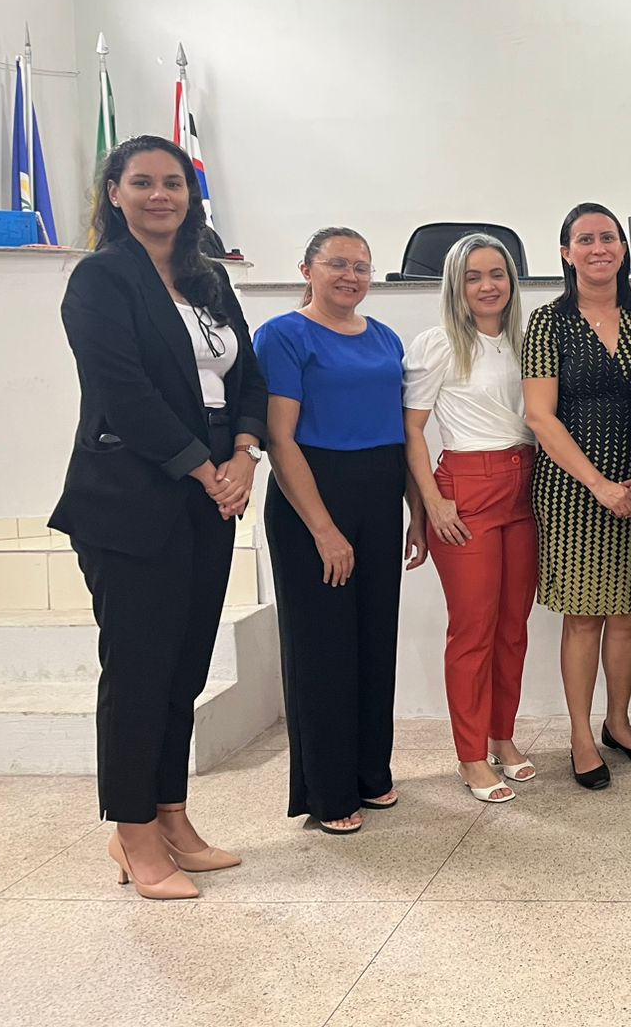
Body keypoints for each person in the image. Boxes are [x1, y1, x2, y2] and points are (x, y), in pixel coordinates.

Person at [51, 136, 267, 898]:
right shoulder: (101, 281)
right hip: (131, 497)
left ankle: (173, 816)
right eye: (140, 182)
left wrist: (243, 454)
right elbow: (123, 391)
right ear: (113, 193)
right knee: (139, 669)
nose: (158, 195)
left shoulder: (206, 278)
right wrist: (206, 469)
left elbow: (250, 375)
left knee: (184, 668)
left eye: (171, 182)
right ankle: (133, 834)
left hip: (210, 490)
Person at [256, 228, 420, 835]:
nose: (351, 275)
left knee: (375, 638)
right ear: (307, 269)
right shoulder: (283, 335)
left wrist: (417, 514)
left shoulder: (384, 337)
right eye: (337, 264)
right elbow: (281, 438)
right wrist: (323, 529)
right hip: (313, 497)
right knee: (322, 646)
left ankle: (371, 773)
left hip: (380, 493)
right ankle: (328, 792)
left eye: (362, 266)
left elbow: (400, 435)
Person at [524, 204, 631, 790]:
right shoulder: (547, 322)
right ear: (566, 253)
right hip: (572, 488)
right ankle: (582, 734)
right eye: (585, 239)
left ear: (624, 249)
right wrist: (602, 485)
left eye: (609, 237)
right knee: (583, 617)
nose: (599, 247)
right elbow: (540, 415)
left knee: (628, 616)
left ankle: (620, 722)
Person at [403, 234, 538, 805]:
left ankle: (502, 737)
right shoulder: (438, 345)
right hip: (466, 487)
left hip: (524, 484)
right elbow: (411, 430)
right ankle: (470, 755)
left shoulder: (525, 342)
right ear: (456, 286)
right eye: (474, 276)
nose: (488, 286)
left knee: (513, 628)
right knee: (473, 631)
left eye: (498, 274)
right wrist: (431, 504)